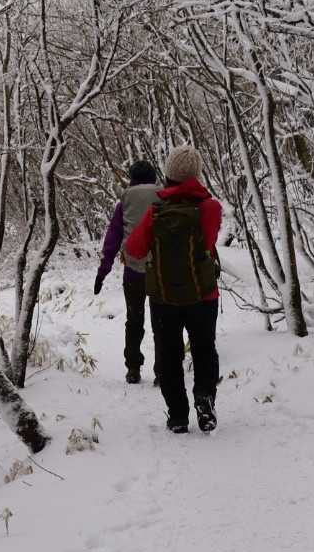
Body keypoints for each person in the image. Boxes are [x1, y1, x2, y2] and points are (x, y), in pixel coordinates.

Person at [124, 144, 222, 434]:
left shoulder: (155, 212)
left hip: (163, 297)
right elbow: (208, 243)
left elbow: (134, 249)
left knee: (168, 354)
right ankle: (204, 398)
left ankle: (178, 416)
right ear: (196, 175)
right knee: (204, 349)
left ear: (167, 175)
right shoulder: (211, 208)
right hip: (203, 294)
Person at [94, 159, 161, 383]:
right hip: (160, 271)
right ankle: (163, 370)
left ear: (132, 179)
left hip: (133, 270)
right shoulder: (164, 196)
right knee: (162, 321)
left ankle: (133, 368)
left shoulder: (125, 201)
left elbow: (112, 239)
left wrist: (102, 272)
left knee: (134, 320)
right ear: (153, 177)